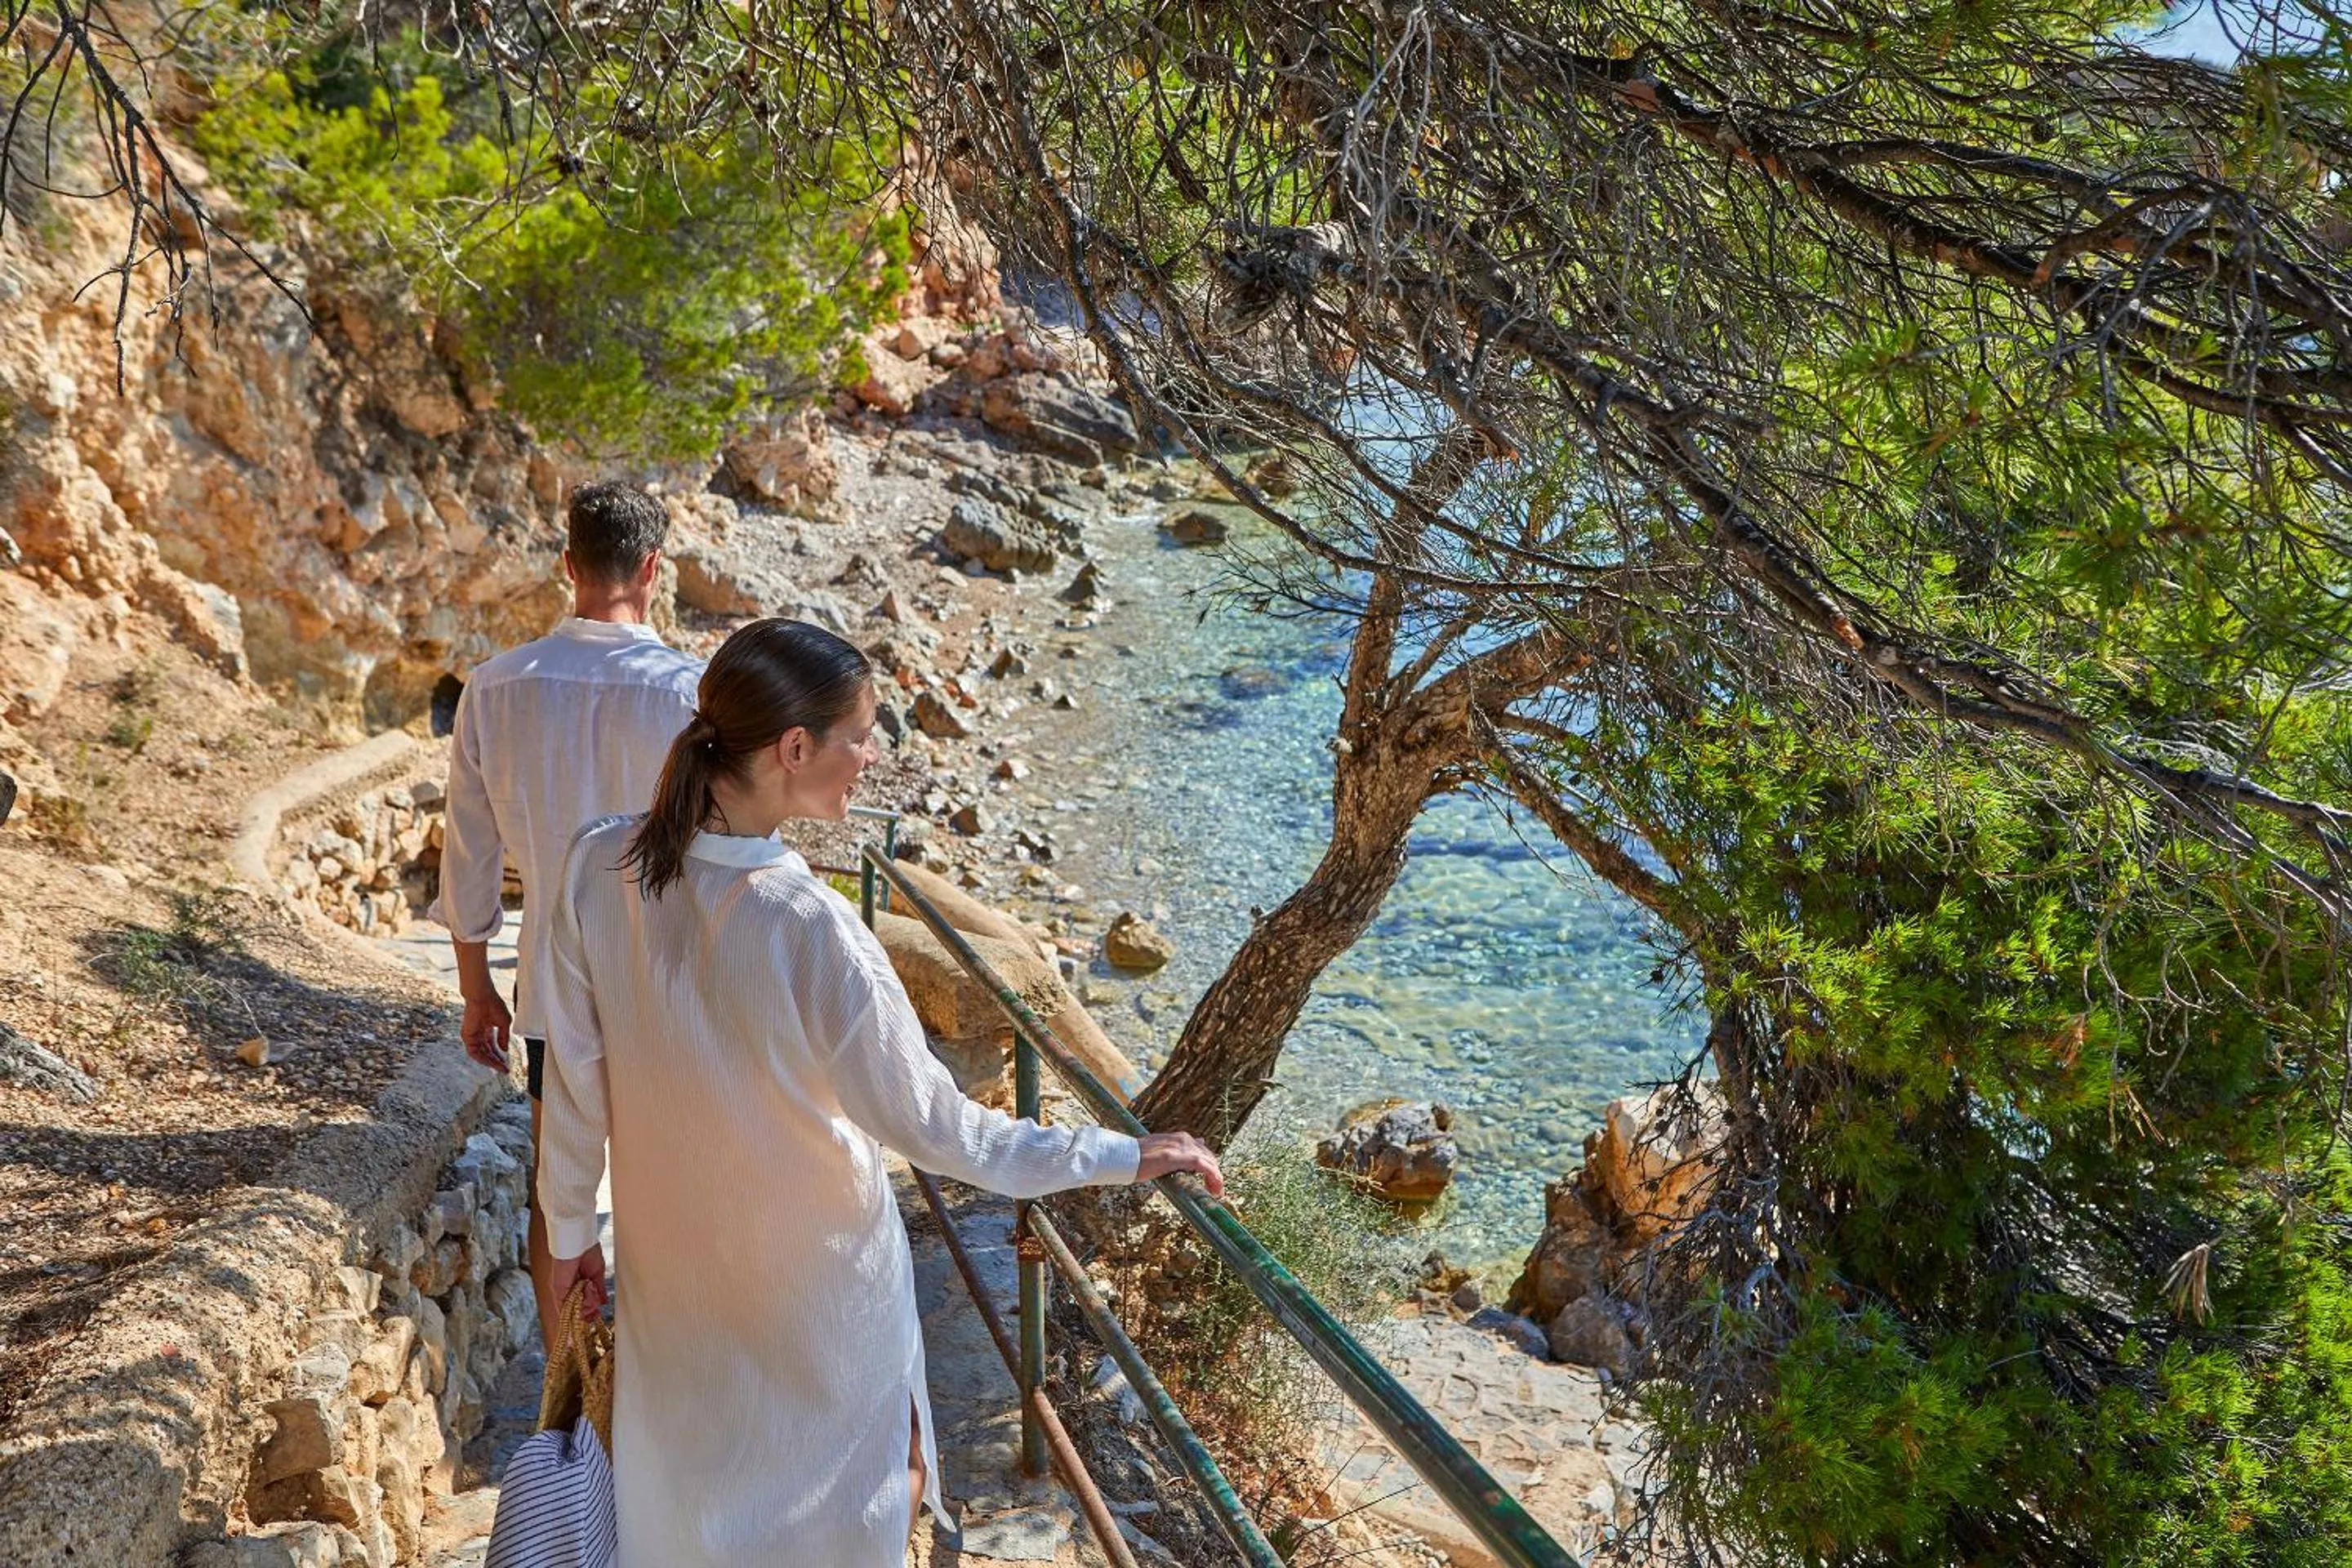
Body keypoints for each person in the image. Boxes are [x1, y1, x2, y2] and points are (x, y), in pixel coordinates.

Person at [536, 617, 1223, 1567]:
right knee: (847, 1509)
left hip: (675, 1275)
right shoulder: (815, 930)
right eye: (861, 734)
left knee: (687, 1499)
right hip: (819, 1295)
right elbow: (947, 1133)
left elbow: (571, 1083)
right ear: (793, 748)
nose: (871, 756)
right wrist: (1124, 1153)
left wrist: (569, 1235)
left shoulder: (592, 866)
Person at [434, 479, 702, 1354]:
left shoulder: (496, 687)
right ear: (653, 569)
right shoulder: (694, 695)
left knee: (565, 1190)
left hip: (553, 993)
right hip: (672, 993)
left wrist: (478, 993)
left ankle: (570, 1386)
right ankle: (664, 1377)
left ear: (568, 567)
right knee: (669, 1190)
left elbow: (469, 853)